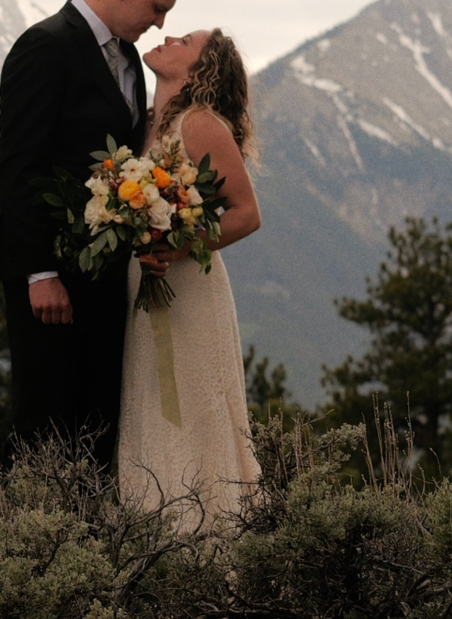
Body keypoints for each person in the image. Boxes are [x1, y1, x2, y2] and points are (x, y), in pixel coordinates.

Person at [0, 0, 196, 468]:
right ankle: (11, 544)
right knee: (43, 424)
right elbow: (19, 166)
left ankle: (93, 547)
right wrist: (40, 273)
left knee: (96, 425)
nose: (160, 22)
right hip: (48, 274)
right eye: (157, 5)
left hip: (103, 272)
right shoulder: (45, 45)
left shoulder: (126, 59)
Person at [116, 28, 262, 531]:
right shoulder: (146, 125)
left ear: (200, 71)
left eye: (186, 39)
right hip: (143, 285)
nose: (168, 34)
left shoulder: (199, 125)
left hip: (188, 289)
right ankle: (153, 535)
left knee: (192, 411)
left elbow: (246, 213)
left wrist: (177, 247)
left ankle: (206, 540)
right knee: (149, 405)